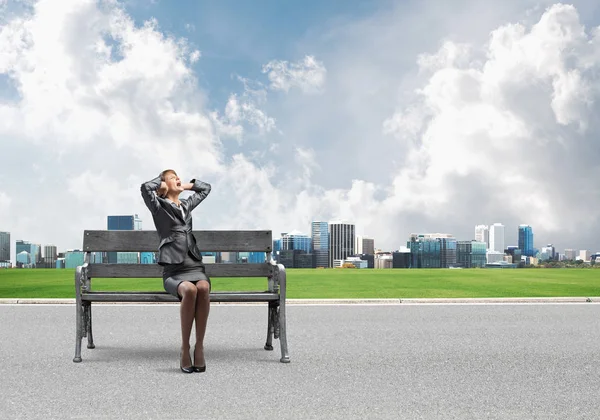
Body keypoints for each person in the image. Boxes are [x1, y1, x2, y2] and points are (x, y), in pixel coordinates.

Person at [140, 169, 212, 373]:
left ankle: (199, 346)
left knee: (203, 287)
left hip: (194, 265)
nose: (177, 179)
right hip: (174, 271)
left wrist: (186, 185)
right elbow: (146, 188)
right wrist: (162, 184)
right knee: (189, 290)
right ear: (163, 186)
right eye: (173, 178)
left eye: (177, 176)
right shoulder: (158, 206)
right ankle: (184, 348)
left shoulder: (186, 205)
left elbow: (206, 189)